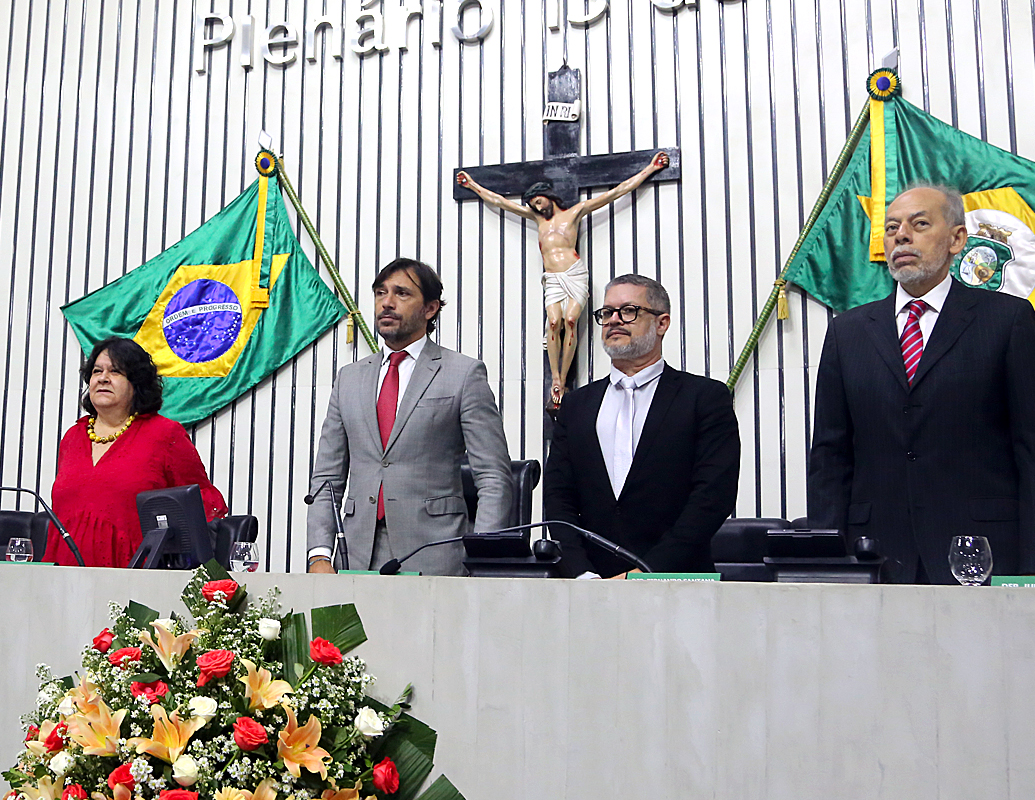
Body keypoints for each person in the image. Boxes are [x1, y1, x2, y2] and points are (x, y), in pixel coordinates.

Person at [807, 182, 1035, 583]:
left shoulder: (1006, 320)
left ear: (956, 239)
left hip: (983, 552)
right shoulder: (849, 332)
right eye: (891, 228)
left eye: (919, 224)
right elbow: (830, 456)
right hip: (873, 555)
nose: (901, 236)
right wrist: (824, 563)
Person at [306, 258, 513, 576]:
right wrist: (319, 555)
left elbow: (493, 477)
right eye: (380, 292)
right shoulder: (349, 378)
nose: (386, 303)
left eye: (401, 293)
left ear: (430, 309)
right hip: (356, 556)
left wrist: (482, 559)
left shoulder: (463, 374)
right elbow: (327, 478)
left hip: (437, 557)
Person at [542, 275, 740, 577]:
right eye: (607, 312)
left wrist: (646, 574)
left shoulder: (704, 398)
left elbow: (712, 497)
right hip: (590, 583)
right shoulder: (577, 405)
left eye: (629, 311)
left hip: (676, 579)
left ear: (662, 323)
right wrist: (582, 573)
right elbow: (559, 496)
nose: (614, 320)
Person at [455, 152, 669, 407]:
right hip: (553, 278)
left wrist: (650, 169)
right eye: (533, 204)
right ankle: (555, 377)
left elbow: (615, 193)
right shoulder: (537, 219)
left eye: (539, 201)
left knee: (570, 320)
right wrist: (472, 185)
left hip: (574, 273)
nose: (537, 207)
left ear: (548, 196)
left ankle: (563, 377)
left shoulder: (575, 213)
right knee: (554, 322)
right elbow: (500, 202)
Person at [44, 337, 227, 567]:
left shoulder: (164, 434)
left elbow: (199, 503)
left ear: (137, 383)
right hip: (62, 572)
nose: (103, 378)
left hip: (134, 572)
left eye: (115, 371)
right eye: (97, 371)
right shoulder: (73, 437)